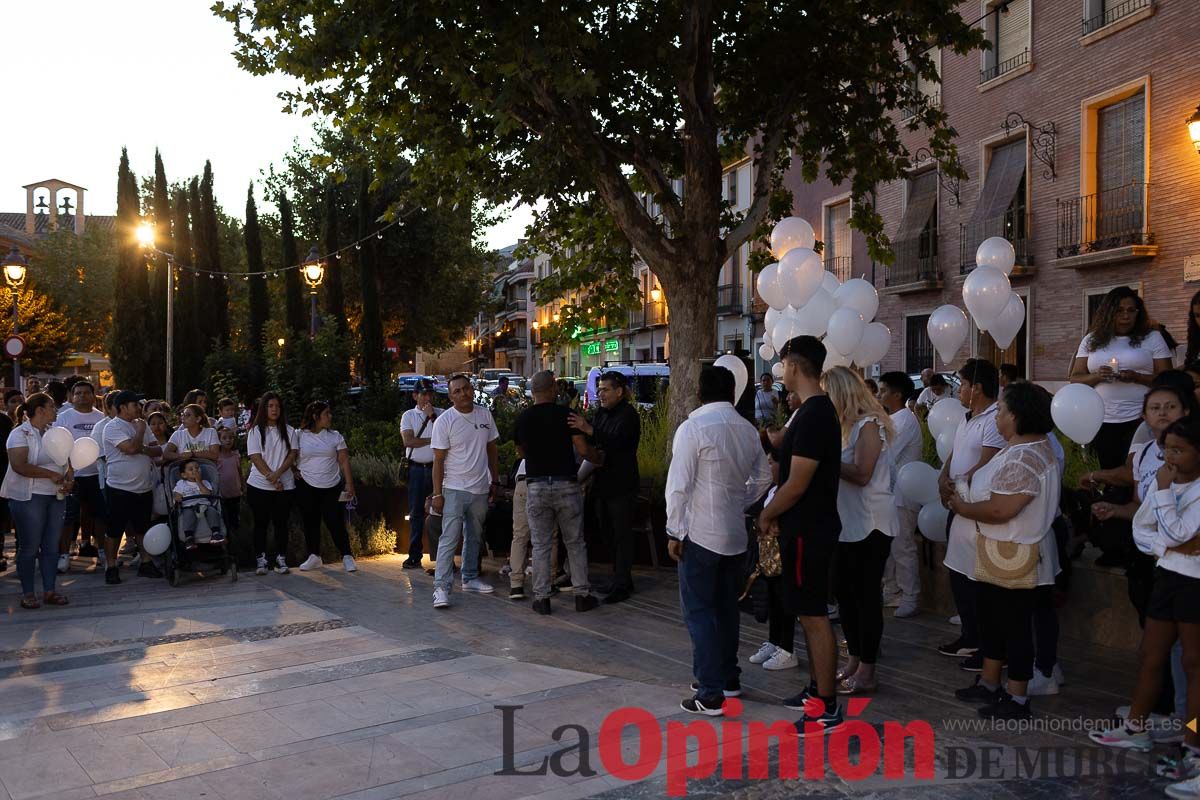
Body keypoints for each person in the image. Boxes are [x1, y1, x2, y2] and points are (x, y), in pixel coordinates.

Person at [1090, 417, 1200, 782]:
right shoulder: (1164, 483)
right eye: (1167, 448)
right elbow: (1143, 526)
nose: (1170, 457)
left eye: (1180, 450)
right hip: (1168, 574)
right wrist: (1167, 549)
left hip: (1195, 584)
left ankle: (1194, 743)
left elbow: (1179, 528)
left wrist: (1169, 517)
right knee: (1150, 654)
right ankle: (1136, 726)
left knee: (1193, 664)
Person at [949, 381, 1061, 721]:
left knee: (1013, 626)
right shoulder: (1023, 448)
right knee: (993, 622)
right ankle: (990, 682)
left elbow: (1002, 509)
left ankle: (1017, 697)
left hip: (1015, 553)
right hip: (998, 551)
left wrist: (962, 507)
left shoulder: (1027, 455)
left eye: (1000, 409)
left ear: (1017, 415)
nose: (996, 415)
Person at [668, 366, 771, 715]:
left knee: (699, 612)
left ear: (699, 392)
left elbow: (678, 486)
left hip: (699, 533)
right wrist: (738, 503)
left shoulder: (693, 428)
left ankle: (710, 690)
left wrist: (674, 530)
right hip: (735, 533)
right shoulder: (747, 429)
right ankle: (728, 678)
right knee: (726, 610)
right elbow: (763, 478)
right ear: (733, 393)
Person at [757, 335, 844, 735]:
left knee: (813, 616)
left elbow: (798, 483)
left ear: (794, 365)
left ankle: (826, 706)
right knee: (807, 614)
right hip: (804, 527)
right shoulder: (812, 412)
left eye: (784, 363)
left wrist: (767, 514)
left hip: (810, 529)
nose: (781, 371)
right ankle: (816, 691)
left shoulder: (814, 415)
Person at [1070, 286, 1172, 566]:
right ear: (1108, 312)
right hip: (1102, 422)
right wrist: (1096, 376)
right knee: (1110, 484)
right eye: (1120, 310)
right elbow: (1074, 377)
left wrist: (1137, 377)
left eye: (1131, 310)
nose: (1126, 316)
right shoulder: (1092, 340)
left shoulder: (1151, 338)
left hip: (1140, 422)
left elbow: (1167, 378)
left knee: (1133, 480)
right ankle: (1112, 544)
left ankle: (1138, 544)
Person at [823, 367, 897, 695]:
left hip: (871, 524)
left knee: (865, 597)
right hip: (846, 523)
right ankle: (853, 657)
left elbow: (864, 473)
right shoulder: (842, 427)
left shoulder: (869, 424)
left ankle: (868, 668)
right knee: (845, 594)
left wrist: (825, 462)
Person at [937, 359, 1006, 670]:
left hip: (975, 507)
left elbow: (988, 462)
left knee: (977, 578)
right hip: (958, 505)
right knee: (958, 573)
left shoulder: (994, 420)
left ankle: (984, 642)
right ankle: (969, 635)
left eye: (962, 384)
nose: (959, 390)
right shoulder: (968, 418)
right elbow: (955, 452)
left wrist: (960, 484)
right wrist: (943, 476)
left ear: (977, 388)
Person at [515, 370, 601, 614]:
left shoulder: (523, 419)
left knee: (541, 544)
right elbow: (583, 450)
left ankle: (541, 598)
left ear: (533, 392)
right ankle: (582, 594)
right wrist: (598, 458)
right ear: (553, 389)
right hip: (566, 484)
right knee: (574, 541)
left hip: (537, 486)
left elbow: (521, 452)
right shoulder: (567, 415)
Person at [569, 371, 641, 604]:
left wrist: (589, 429)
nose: (601, 394)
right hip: (601, 483)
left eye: (605, 390)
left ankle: (622, 583)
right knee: (607, 532)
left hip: (621, 484)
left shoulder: (628, 415)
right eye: (599, 390)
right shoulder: (602, 413)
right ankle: (618, 577)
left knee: (621, 535)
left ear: (619, 391)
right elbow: (595, 443)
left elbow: (615, 440)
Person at [430, 374, 500, 608]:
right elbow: (438, 461)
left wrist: (495, 481)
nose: (463, 394)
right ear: (450, 396)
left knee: (474, 535)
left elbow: (492, 449)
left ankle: (469, 577)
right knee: (449, 538)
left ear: (472, 389)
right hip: (454, 489)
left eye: (466, 389)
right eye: (457, 391)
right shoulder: (445, 421)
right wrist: (437, 494)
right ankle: (441, 587)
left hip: (480, 487)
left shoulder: (484, 414)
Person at [2, 393, 71, 609]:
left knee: (52, 545)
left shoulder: (55, 433)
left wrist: (69, 479)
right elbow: (19, 465)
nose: (56, 410)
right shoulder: (19, 434)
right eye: (52, 406)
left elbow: (68, 462)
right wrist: (49, 475)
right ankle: (28, 592)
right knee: (30, 546)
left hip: (56, 496)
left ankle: (49, 590)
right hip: (29, 497)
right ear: (40, 410)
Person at [102, 390, 163, 583]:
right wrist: (139, 434)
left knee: (142, 527)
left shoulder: (142, 425)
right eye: (135, 404)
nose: (139, 408)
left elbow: (156, 449)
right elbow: (130, 449)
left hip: (144, 487)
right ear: (122, 408)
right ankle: (111, 566)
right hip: (119, 488)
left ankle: (146, 563)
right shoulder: (113, 427)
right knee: (115, 529)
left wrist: (143, 445)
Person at [878, 372, 922, 618]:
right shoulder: (891, 418)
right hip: (888, 494)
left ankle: (910, 595)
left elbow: (886, 455)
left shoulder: (905, 419)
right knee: (890, 547)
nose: (879, 394)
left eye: (883, 390)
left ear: (897, 394)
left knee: (903, 546)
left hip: (903, 494)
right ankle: (892, 590)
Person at [295, 400, 357, 572]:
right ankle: (314, 555)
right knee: (310, 521)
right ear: (315, 417)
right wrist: (293, 470)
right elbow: (289, 454)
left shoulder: (335, 436)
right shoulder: (299, 435)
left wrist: (349, 484)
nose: (330, 416)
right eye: (326, 414)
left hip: (331, 485)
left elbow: (344, 460)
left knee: (335, 521)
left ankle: (347, 555)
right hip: (306, 484)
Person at [54, 381, 108, 573]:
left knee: (101, 516)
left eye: (86, 393)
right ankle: (64, 555)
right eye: (78, 393)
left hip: (97, 475)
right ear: (71, 396)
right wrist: (67, 470)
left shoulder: (101, 417)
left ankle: (103, 552)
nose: (82, 396)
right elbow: (58, 446)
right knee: (68, 518)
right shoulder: (63, 417)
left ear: (94, 396)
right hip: (72, 476)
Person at [246, 392, 298, 576]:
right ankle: (261, 559)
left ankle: (281, 558)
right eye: (270, 406)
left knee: (281, 523)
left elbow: (292, 455)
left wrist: (278, 475)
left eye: (277, 406)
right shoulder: (255, 431)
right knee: (260, 523)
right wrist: (271, 477)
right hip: (259, 485)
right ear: (264, 409)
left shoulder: (290, 431)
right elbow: (255, 457)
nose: (274, 410)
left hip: (284, 485)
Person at [400, 380, 441, 569]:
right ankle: (414, 555)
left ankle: (441, 558)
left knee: (440, 512)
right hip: (417, 468)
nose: (427, 398)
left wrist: (432, 416)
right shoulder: (408, 416)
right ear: (415, 395)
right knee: (416, 512)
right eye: (423, 394)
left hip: (436, 468)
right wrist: (433, 440)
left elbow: (447, 437)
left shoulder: (439, 415)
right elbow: (409, 441)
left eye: (429, 394)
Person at [172, 460, 224, 547]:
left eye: (197, 468)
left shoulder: (205, 482)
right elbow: (176, 494)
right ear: (184, 475)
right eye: (191, 469)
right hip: (189, 506)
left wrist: (199, 481)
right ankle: (189, 537)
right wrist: (177, 497)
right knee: (188, 515)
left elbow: (208, 494)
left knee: (212, 511)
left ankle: (216, 533)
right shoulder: (181, 483)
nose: (195, 470)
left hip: (205, 505)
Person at [216, 426, 243, 540]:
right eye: (224, 438)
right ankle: (226, 538)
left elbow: (239, 471)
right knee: (224, 516)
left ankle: (237, 537)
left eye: (231, 438)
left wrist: (243, 485)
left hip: (235, 492)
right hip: (223, 494)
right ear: (219, 440)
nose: (228, 440)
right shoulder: (217, 457)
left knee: (235, 515)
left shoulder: (236, 455)